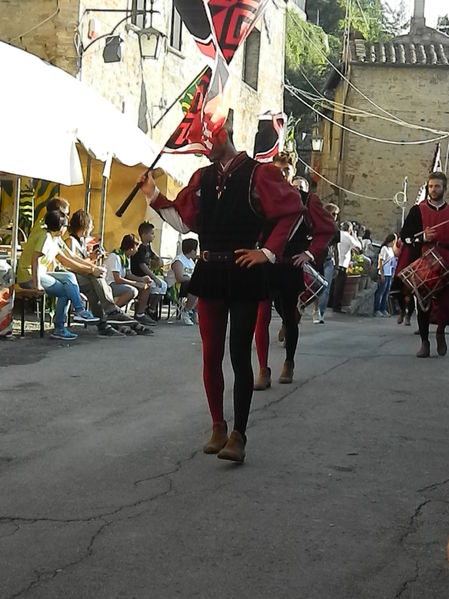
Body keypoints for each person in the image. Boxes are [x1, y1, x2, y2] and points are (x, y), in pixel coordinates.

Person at [138, 123, 303, 463]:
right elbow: (185, 222)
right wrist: (153, 196)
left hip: (244, 270)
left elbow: (292, 210)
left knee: (239, 354)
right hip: (211, 269)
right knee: (210, 354)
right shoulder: (202, 178)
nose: (201, 150)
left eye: (204, 143)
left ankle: (239, 435)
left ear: (222, 136)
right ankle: (217, 426)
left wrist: (268, 252)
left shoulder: (260, 173)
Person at [253, 155, 336, 389]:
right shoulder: (260, 199)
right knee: (262, 316)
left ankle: (289, 362)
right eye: (277, 169)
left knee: (290, 316)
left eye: (286, 170)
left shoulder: (307, 200)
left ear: (293, 172)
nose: (281, 174)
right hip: (265, 264)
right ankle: (262, 369)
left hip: (290, 266)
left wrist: (309, 254)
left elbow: (327, 229)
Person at [16, 210, 99, 339]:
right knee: (65, 292)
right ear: (60, 227)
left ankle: (79, 310)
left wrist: (92, 267)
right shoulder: (45, 237)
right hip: (29, 275)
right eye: (65, 226)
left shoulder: (55, 238)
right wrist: (37, 285)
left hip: (42, 273)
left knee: (69, 276)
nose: (66, 229)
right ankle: (60, 327)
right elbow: (35, 259)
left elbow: (66, 258)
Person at [397, 171, 449, 358]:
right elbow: (405, 236)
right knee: (423, 303)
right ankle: (425, 342)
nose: (434, 190)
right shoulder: (417, 210)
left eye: (437, 186)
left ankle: (441, 332)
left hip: (446, 260)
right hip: (424, 261)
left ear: (444, 188)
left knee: (446, 303)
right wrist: (422, 236)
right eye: (431, 186)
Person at [66, 209, 136, 337]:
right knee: (96, 277)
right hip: (71, 277)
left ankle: (103, 324)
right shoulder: (71, 241)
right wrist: (92, 267)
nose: (92, 227)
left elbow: (83, 262)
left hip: (82, 276)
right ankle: (111, 311)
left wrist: (92, 258)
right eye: (91, 224)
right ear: (84, 225)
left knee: (94, 289)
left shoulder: (81, 242)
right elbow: (71, 264)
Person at [104, 234, 155, 330]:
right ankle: (113, 312)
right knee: (132, 291)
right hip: (110, 284)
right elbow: (117, 279)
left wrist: (142, 279)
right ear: (132, 248)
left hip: (119, 283)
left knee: (146, 287)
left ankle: (140, 314)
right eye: (137, 248)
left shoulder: (126, 257)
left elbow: (128, 274)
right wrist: (136, 284)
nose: (137, 250)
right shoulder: (115, 256)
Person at [131, 222, 168, 321]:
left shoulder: (148, 246)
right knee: (153, 285)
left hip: (147, 276)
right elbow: (142, 265)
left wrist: (158, 259)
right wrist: (154, 278)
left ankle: (151, 309)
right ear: (144, 235)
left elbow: (153, 255)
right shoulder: (139, 248)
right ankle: (142, 310)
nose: (153, 236)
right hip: (139, 276)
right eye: (151, 233)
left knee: (163, 285)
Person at [314, 202, 340, 324]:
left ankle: (320, 313)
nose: (335, 216)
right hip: (317, 258)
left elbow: (335, 248)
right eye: (333, 213)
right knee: (315, 286)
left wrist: (337, 264)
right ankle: (315, 309)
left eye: (336, 214)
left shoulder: (335, 229)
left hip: (329, 260)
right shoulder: (317, 224)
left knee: (326, 288)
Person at [332, 221, 362, 313]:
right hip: (342, 264)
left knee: (333, 285)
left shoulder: (337, 234)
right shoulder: (348, 237)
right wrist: (355, 236)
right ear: (350, 229)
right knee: (339, 287)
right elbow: (359, 248)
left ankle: (331, 304)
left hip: (334, 262)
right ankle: (337, 306)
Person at [171, 237, 199, 325]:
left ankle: (193, 310)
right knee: (195, 285)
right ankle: (186, 310)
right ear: (192, 250)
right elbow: (179, 278)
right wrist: (193, 279)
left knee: (203, 285)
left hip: (187, 285)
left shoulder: (191, 262)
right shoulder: (179, 260)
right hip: (175, 287)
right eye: (196, 250)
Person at [373, 233, 397, 317]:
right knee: (381, 292)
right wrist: (381, 273)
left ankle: (383, 308)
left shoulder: (391, 249)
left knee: (386, 292)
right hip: (383, 273)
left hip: (389, 273)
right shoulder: (384, 248)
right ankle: (377, 309)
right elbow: (381, 260)